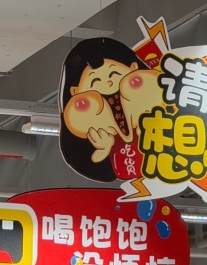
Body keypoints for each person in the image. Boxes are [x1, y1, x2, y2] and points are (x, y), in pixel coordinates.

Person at [59, 37, 163, 182]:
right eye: (95, 81)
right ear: (75, 92)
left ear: (133, 68)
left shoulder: (155, 107)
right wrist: (102, 151)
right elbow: (88, 164)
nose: (108, 84)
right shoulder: (91, 133)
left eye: (114, 74)